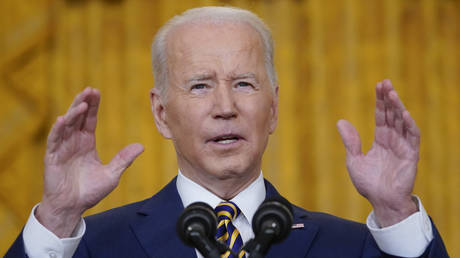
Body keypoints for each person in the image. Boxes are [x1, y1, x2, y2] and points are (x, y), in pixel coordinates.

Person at [6, 6, 448, 258]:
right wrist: (59, 218)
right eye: (200, 86)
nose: (225, 107)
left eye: (243, 84)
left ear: (272, 109)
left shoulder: (351, 248)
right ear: (161, 113)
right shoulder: (89, 247)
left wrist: (396, 212)